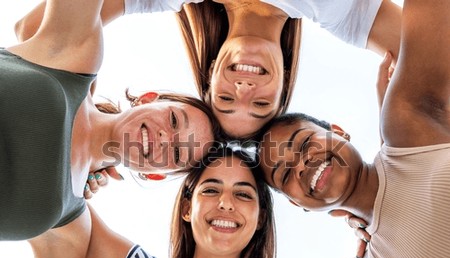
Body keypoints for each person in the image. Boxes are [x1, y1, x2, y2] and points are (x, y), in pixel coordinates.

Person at [1, 0, 218, 258]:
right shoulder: (77, 57)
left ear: (153, 175)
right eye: (172, 120)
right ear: (147, 98)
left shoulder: (69, 227)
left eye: (178, 153)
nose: (164, 138)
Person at [258, 0, 450, 258]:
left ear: (339, 132)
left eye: (304, 143)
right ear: (300, 205)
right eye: (285, 174)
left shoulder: (404, 127)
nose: (300, 165)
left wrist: (399, 104)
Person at [18, 0, 401, 139]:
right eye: (261, 105)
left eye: (225, 97)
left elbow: (36, 31)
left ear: (212, 68)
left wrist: (86, 123)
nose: (245, 88)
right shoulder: (342, 11)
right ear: (284, 86)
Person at [81, 146, 358, 258]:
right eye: (211, 190)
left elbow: (384, 252)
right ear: (187, 209)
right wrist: (88, 168)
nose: (226, 203)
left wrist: (366, 220)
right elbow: (60, 203)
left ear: (261, 217)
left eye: (242, 194)